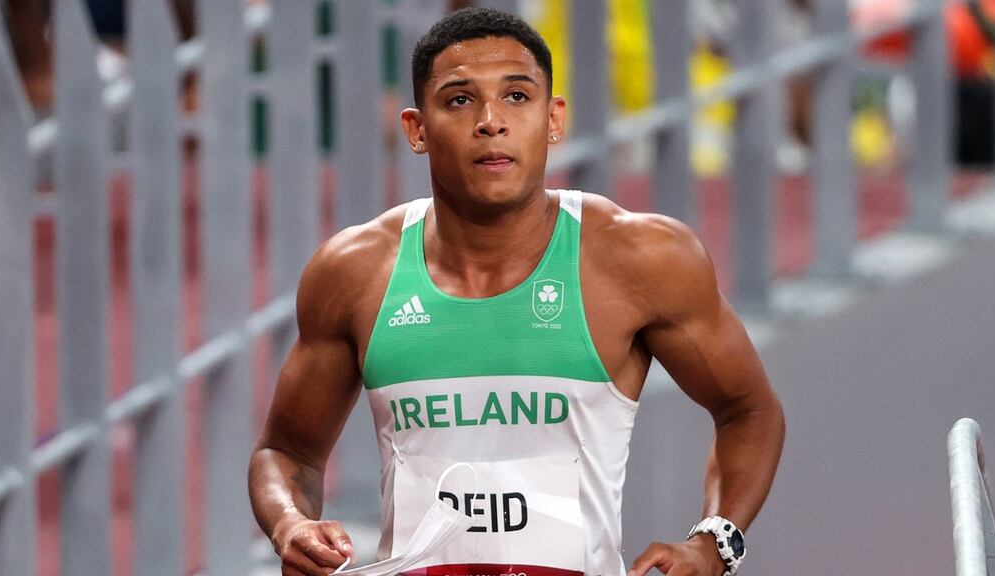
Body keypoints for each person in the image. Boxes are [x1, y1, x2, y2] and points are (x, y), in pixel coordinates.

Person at [249, 8, 784, 576]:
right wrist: (290, 524)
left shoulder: (641, 259)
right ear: (417, 130)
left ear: (553, 119)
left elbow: (749, 411)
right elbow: (285, 452)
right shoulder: (354, 272)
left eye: (517, 97)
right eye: (460, 100)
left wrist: (715, 541)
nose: (491, 122)